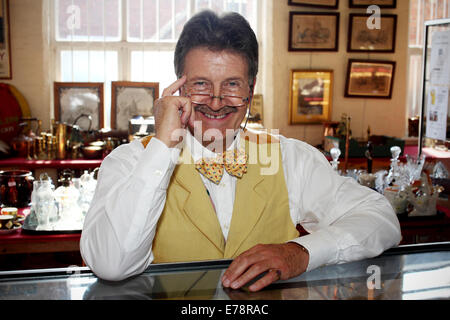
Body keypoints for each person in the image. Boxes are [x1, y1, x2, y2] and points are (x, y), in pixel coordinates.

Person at [80, 10, 401, 292]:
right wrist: (163, 146)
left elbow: (381, 219)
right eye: (201, 84)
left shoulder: (291, 158)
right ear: (177, 87)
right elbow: (111, 264)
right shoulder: (129, 161)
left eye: (232, 84)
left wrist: (301, 252)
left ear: (252, 87)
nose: (217, 102)